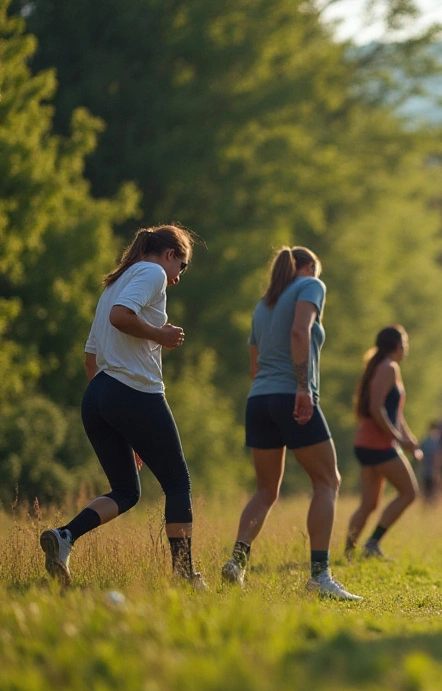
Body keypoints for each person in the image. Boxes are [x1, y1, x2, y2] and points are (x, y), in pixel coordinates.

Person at [41, 226, 204, 589]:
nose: (178, 277)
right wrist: (161, 335)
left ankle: (64, 536)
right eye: (183, 265)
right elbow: (120, 317)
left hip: (98, 395)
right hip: (133, 391)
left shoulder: (116, 282)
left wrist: (118, 416)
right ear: (168, 255)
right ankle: (183, 576)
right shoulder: (152, 273)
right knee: (178, 483)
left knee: (127, 491)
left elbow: (90, 358)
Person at [221, 247, 360, 600]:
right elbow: (301, 332)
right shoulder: (311, 285)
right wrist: (302, 387)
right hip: (291, 395)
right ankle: (320, 576)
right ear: (309, 267)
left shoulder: (262, 304)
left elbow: (254, 367)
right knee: (328, 481)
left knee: (266, 490)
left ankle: (237, 563)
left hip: (259, 400)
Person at [345, 326, 422, 558]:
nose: (406, 349)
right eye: (405, 344)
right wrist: (397, 438)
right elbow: (376, 408)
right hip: (378, 445)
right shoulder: (389, 367)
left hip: (368, 443)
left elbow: (395, 413)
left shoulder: (384, 367)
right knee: (409, 492)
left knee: (368, 503)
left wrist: (408, 438)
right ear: (397, 346)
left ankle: (349, 551)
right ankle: (371, 544)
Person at [418, 422, 442, 504]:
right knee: (427, 489)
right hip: (427, 470)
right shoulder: (426, 442)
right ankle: (427, 506)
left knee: (435, 490)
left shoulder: (438, 442)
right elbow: (420, 455)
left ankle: (432, 506)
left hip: (434, 470)